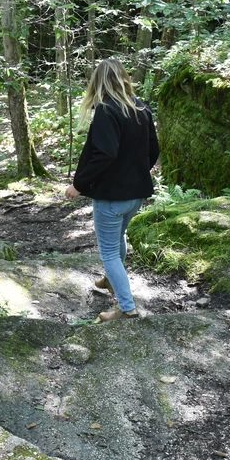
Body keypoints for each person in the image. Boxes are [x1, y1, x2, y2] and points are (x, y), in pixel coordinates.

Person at [65, 57, 160, 322]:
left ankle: (126, 308)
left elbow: (104, 154)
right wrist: (139, 172)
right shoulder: (141, 107)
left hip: (112, 197)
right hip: (136, 195)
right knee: (118, 238)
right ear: (123, 78)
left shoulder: (107, 110)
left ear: (99, 81)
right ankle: (110, 280)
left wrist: (78, 185)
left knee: (108, 251)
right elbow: (154, 150)